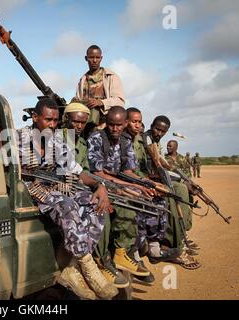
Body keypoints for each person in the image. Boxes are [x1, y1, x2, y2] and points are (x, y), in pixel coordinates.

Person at [18, 98, 117, 300]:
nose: (53, 125)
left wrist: (99, 185)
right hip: (28, 189)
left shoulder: (57, 140)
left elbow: (75, 172)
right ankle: (87, 266)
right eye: (48, 120)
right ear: (35, 117)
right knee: (66, 204)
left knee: (93, 203)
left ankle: (71, 267)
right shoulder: (18, 138)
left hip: (53, 185)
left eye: (55, 120)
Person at [62, 102, 129, 289]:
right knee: (99, 208)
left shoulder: (82, 143)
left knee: (107, 202)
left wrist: (101, 186)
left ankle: (114, 254)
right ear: (66, 120)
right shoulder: (57, 140)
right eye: (75, 121)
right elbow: (67, 173)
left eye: (83, 122)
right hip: (64, 189)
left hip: (81, 185)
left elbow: (84, 172)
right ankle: (99, 261)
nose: (79, 126)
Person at [87, 106, 154, 280]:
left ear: (125, 124)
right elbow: (98, 174)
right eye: (111, 124)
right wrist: (128, 187)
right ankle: (113, 254)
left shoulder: (126, 141)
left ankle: (130, 250)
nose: (114, 129)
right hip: (99, 184)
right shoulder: (97, 138)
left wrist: (143, 184)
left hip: (115, 182)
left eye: (118, 125)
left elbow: (129, 171)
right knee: (126, 202)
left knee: (146, 199)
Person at [125, 108, 180, 275]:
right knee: (141, 202)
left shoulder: (142, 141)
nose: (137, 125)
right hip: (123, 181)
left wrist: (149, 180)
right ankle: (134, 251)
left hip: (135, 178)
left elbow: (136, 168)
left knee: (161, 199)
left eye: (138, 122)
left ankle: (155, 247)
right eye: (133, 122)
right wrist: (146, 182)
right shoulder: (132, 139)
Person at [142, 116, 200, 269]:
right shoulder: (145, 139)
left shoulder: (155, 141)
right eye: (157, 129)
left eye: (163, 131)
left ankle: (182, 234)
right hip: (144, 179)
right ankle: (173, 242)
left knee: (182, 188)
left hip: (155, 176)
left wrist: (184, 179)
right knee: (173, 193)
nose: (159, 133)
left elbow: (162, 163)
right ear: (151, 126)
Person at [72, 45, 125, 131]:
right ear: (86, 58)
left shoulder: (111, 77)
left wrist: (101, 102)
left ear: (101, 58)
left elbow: (120, 102)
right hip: (85, 127)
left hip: (106, 128)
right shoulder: (82, 80)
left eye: (97, 57)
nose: (94, 60)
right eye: (91, 57)